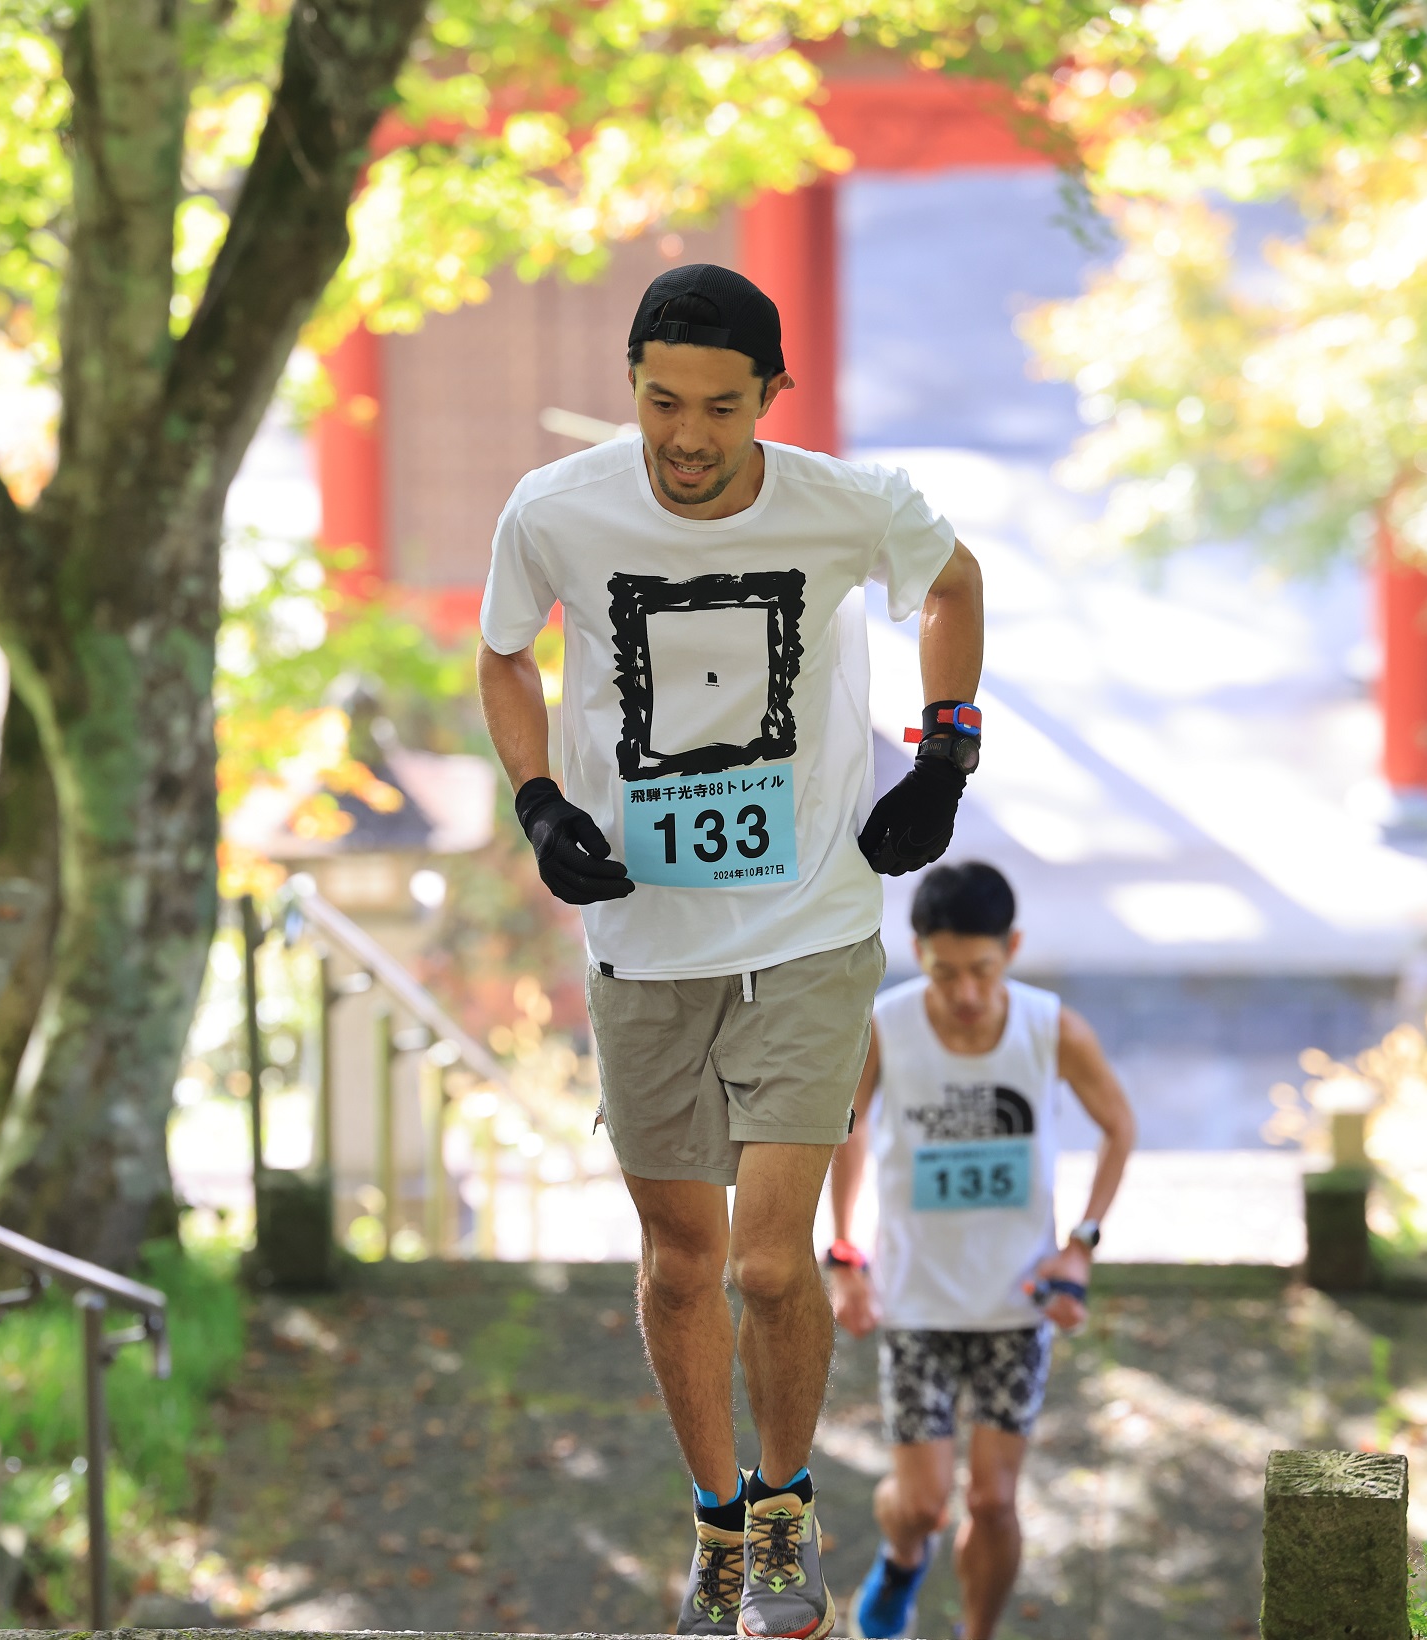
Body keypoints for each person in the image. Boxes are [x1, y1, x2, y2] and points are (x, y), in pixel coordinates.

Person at [476, 261, 986, 1639]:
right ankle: (714, 1519)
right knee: (679, 1260)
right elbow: (504, 655)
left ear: (770, 395)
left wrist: (943, 755)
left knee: (768, 1261)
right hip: (644, 934)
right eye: (660, 403)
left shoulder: (845, 504)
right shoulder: (556, 511)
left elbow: (951, 581)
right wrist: (538, 801)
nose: (686, 437)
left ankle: (782, 1508)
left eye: (718, 406)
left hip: (811, 921)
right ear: (630, 385)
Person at [824, 862, 1137, 1640]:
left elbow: (1119, 1126)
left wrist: (1081, 1247)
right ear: (918, 952)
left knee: (994, 1501)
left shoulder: (1050, 1028)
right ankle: (902, 1558)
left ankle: (977, 1634)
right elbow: (845, 1129)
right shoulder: (886, 1026)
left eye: (983, 970)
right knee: (923, 1504)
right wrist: (845, 1254)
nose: (965, 992)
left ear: (1013, 949)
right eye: (945, 971)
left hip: (1015, 1302)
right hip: (916, 1302)